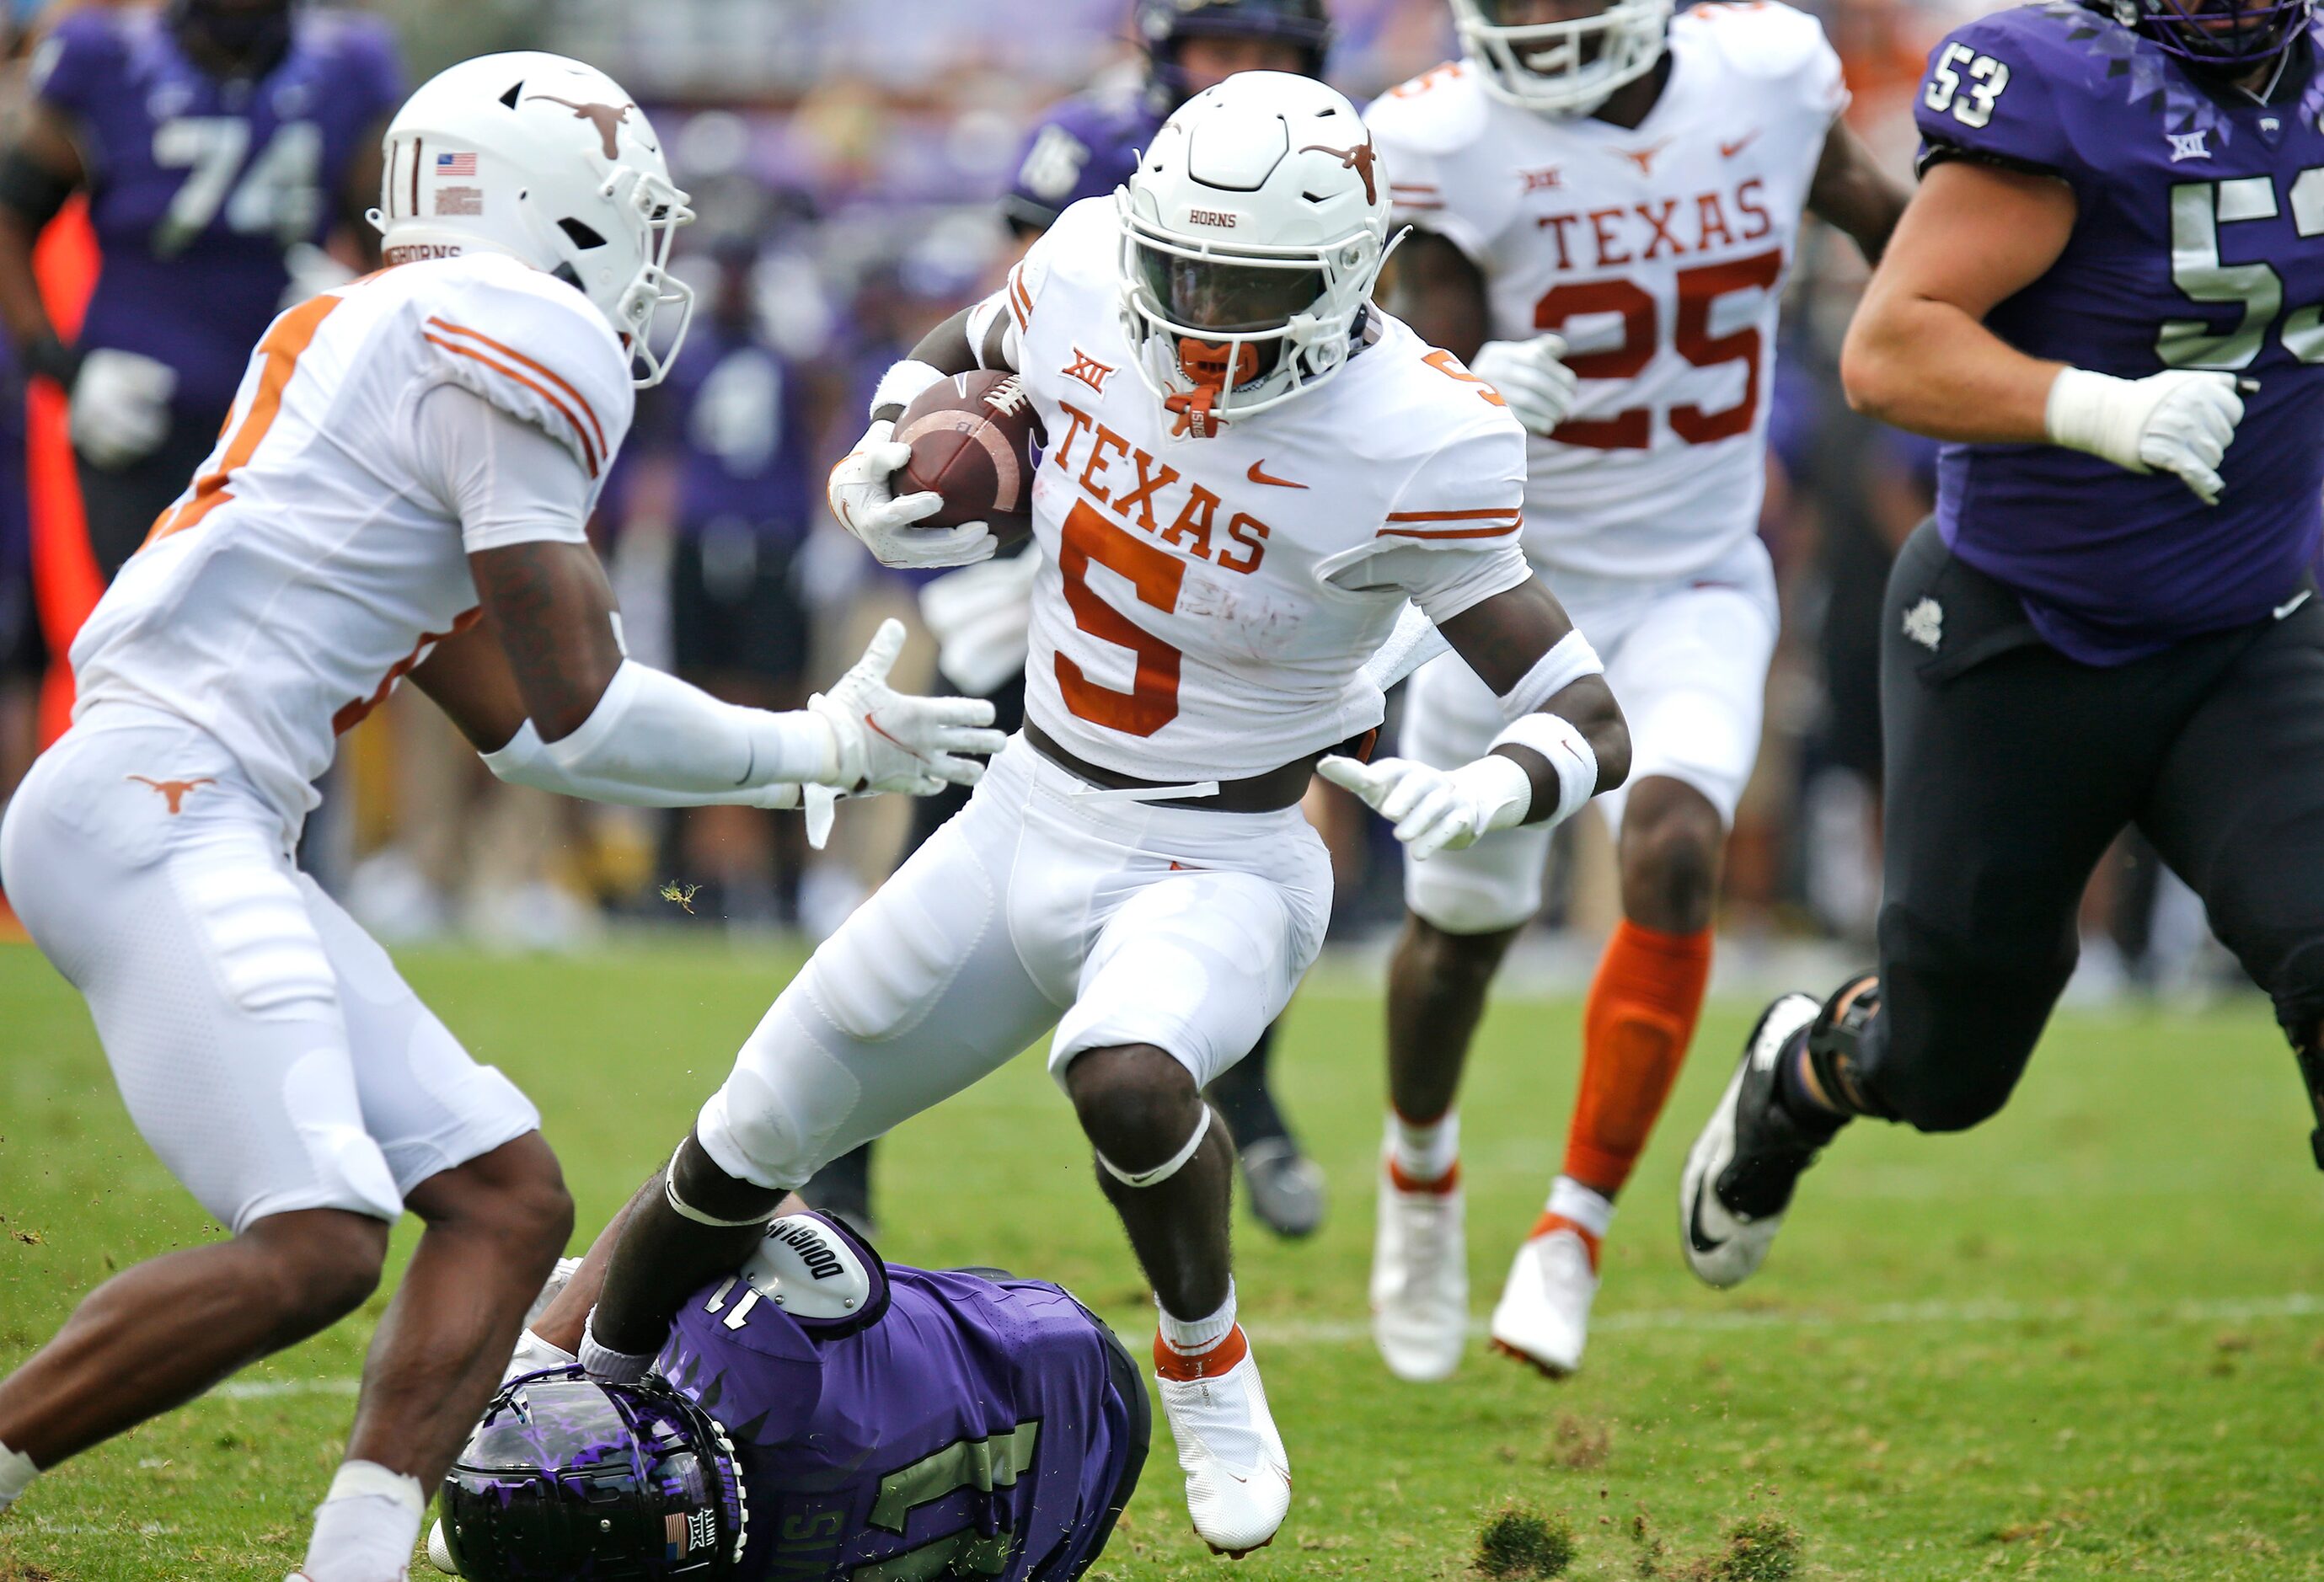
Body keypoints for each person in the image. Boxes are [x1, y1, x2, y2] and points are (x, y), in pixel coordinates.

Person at [572, 72, 1631, 1560]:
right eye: (1176, 267)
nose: (1191, 312)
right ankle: (576, 1402)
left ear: (1345, 280)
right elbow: (959, 351)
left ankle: (1203, 1358)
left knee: (1125, 1075)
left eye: (1237, 285)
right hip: (1024, 802)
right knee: (749, 1126)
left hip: (1226, 852)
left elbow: (1591, 715)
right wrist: (885, 444)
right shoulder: (1085, 266)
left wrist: (1492, 783)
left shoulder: (1418, 437)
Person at [0, 52, 998, 1582]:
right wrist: (821, 741)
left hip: (172, 798)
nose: (644, 266)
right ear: (552, 210)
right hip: (165, 796)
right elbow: (584, 702)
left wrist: (806, 753)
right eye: (630, 218)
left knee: (504, 1195)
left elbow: (525, 730)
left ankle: (350, 1555)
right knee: (320, 1236)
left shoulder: (366, 320)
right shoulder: (514, 326)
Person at [1679, 0, 2324, 1288]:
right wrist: (2095, 408)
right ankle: (1802, 1072)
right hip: (2019, 634)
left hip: (2244, 633)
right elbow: (1885, 350)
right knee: (1943, 1066)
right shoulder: (2057, 82)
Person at [1357, 0, 1906, 1382]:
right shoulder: (1441, 135)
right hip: (1500, 584)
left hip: (1695, 577)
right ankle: (1416, 1167)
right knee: (1457, 928)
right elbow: (1360, 356)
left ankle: (1572, 1225)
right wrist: (1459, 378)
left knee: (1670, 847)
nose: (1533, 21)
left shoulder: (1767, 72)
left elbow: (1893, 230)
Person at [808, 0, 1341, 1241]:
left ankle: (1248, 1101)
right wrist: (948, 474)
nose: (1247, 77)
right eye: (1224, 47)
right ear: (1165, 48)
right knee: (948, 838)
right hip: (1082, 528)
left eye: (1276, 53)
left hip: (1240, 548)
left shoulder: (1330, 159)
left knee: (1249, 834)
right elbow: (1023, 347)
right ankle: (837, 1161)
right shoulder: (1093, 155)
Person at [427, 1209, 1147, 1582]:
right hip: (1058, 1366)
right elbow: (744, 1175)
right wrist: (554, 1349)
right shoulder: (768, 1391)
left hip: (1052, 1531)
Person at [0, 0, 403, 583]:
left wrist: (361, 301)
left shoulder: (351, 62)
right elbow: (11, 219)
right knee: (149, 636)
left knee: (300, 632)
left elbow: (395, 233)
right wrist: (64, 370)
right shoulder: (104, 56)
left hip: (297, 404)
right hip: (141, 411)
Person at [651, 233, 836, 929]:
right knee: (686, 707)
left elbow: (829, 412)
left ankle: (785, 888)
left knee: (781, 710)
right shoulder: (690, 355)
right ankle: (678, 890)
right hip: (700, 540)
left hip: (771, 545)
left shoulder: (787, 355)